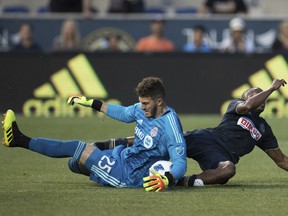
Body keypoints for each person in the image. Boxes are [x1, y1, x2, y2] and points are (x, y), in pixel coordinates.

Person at [2, 77, 187, 192]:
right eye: (140, 102)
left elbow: (180, 162)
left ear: (159, 101)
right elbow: (122, 113)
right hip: (122, 157)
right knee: (74, 163)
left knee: (77, 148)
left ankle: (19, 140)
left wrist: (167, 178)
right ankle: (96, 170)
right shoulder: (141, 109)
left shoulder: (170, 126)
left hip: (128, 175)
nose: (141, 107)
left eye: (145, 103)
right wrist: (90, 103)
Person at [93, 79, 288, 187]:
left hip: (221, 156)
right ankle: (107, 146)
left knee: (228, 171)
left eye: (261, 94)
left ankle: (183, 182)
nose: (259, 97)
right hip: (206, 138)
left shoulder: (264, 130)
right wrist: (271, 88)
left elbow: (282, 160)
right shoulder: (236, 105)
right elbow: (247, 105)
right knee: (162, 139)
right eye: (254, 94)